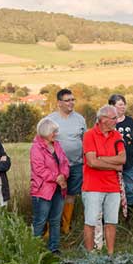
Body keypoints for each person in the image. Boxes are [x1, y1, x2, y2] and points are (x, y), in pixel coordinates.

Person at [82, 105, 127, 253]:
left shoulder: (117, 136)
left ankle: (110, 254)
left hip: (112, 186)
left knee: (111, 222)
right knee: (91, 222)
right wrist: (114, 166)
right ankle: (90, 256)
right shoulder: (89, 135)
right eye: (114, 118)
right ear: (103, 119)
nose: (116, 121)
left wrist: (102, 159)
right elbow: (92, 162)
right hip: (93, 186)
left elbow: (123, 159)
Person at [46, 89, 86, 235]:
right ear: (59, 103)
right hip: (57, 166)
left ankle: (66, 226)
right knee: (56, 195)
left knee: (71, 195)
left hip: (76, 164)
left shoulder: (80, 119)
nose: (71, 103)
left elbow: (84, 141)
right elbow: (44, 143)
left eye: (72, 100)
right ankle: (51, 228)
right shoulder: (50, 120)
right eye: (67, 100)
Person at [29, 117, 70, 252]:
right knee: (40, 221)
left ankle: (54, 248)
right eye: (54, 131)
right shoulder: (36, 148)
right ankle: (33, 250)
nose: (56, 134)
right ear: (46, 132)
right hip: (43, 191)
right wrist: (56, 178)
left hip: (59, 189)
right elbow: (39, 169)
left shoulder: (57, 145)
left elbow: (65, 162)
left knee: (55, 220)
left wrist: (63, 175)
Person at [109, 93, 133, 214]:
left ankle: (129, 217)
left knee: (129, 189)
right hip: (111, 164)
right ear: (112, 106)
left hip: (128, 163)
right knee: (113, 190)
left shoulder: (130, 121)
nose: (123, 107)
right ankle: (113, 215)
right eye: (120, 104)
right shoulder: (107, 122)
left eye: (124, 104)